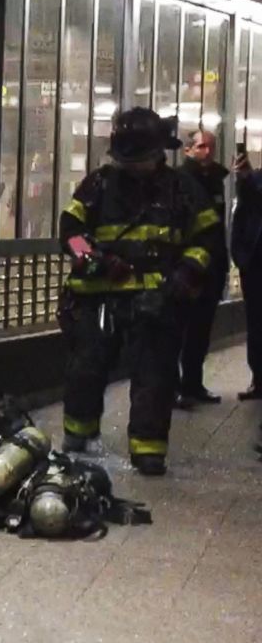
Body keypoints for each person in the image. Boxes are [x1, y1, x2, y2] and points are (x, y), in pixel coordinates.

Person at [57, 108, 221, 476]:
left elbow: (207, 237)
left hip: (158, 299)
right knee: (86, 367)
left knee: (156, 374)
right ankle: (78, 438)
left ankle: (148, 450)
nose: (134, 167)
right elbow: (70, 230)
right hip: (97, 297)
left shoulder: (183, 189)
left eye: (141, 159)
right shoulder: (98, 185)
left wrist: (186, 275)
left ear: (160, 152)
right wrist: (96, 260)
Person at [176, 130, 229, 404]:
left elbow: (217, 232)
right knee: (181, 332)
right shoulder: (182, 182)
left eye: (210, 147)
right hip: (188, 270)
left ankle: (193, 384)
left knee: (200, 333)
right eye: (201, 146)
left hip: (211, 269)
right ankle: (177, 388)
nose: (207, 152)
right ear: (188, 150)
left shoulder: (215, 180)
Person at [231, 149, 262, 399]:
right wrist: (241, 258)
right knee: (256, 323)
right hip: (256, 266)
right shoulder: (252, 180)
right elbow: (241, 217)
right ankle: (259, 378)